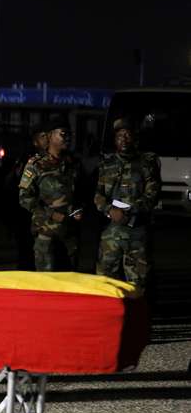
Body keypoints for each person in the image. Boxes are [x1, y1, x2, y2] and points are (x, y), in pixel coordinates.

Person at [94, 118, 161, 293]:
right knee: (106, 283)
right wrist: (109, 210)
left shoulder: (147, 163)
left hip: (137, 233)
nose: (123, 139)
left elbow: (152, 194)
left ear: (134, 138)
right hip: (111, 233)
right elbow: (98, 195)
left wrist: (129, 210)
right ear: (114, 139)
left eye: (127, 135)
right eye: (119, 136)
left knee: (139, 284)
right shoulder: (106, 164)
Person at [18, 116, 85, 271]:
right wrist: (50, 214)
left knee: (70, 280)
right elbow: (25, 198)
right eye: (63, 134)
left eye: (69, 134)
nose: (67, 138)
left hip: (70, 233)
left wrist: (79, 209)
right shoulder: (35, 164)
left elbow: (81, 193)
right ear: (49, 136)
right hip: (46, 232)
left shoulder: (73, 163)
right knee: (46, 282)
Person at [5, 124, 50, 270]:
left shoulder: (60, 160)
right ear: (35, 142)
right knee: (27, 253)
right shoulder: (28, 161)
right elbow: (14, 186)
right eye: (43, 137)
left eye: (48, 135)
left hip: (53, 219)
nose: (47, 139)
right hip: (28, 215)